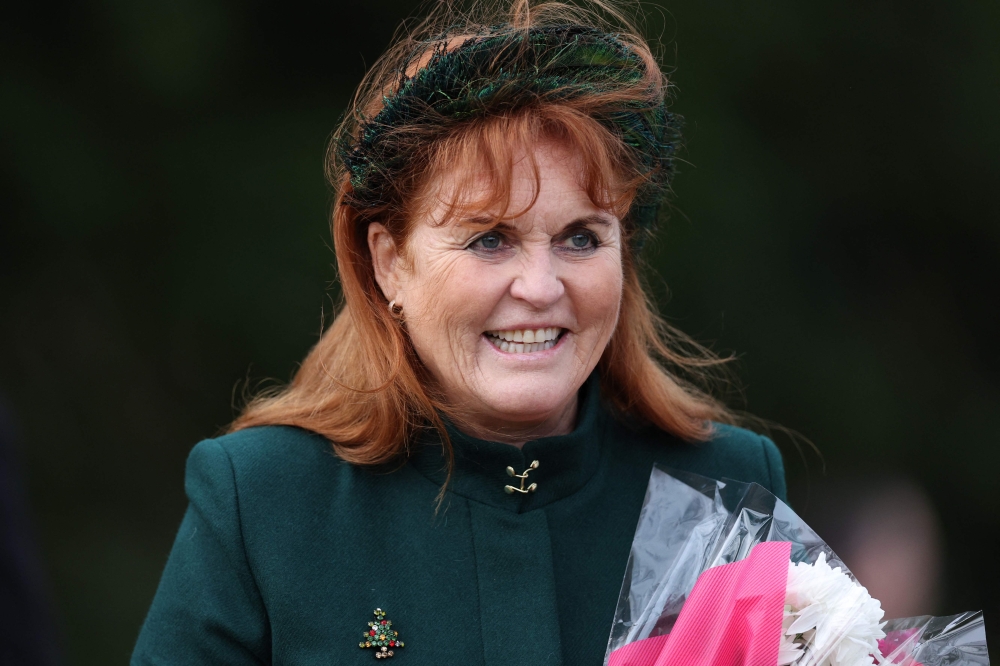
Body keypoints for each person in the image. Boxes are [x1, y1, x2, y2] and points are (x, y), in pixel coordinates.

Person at [132, 1, 787, 664]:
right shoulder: (268, 501)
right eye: (488, 239)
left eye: (580, 237)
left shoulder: (727, 486)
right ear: (391, 263)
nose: (540, 286)